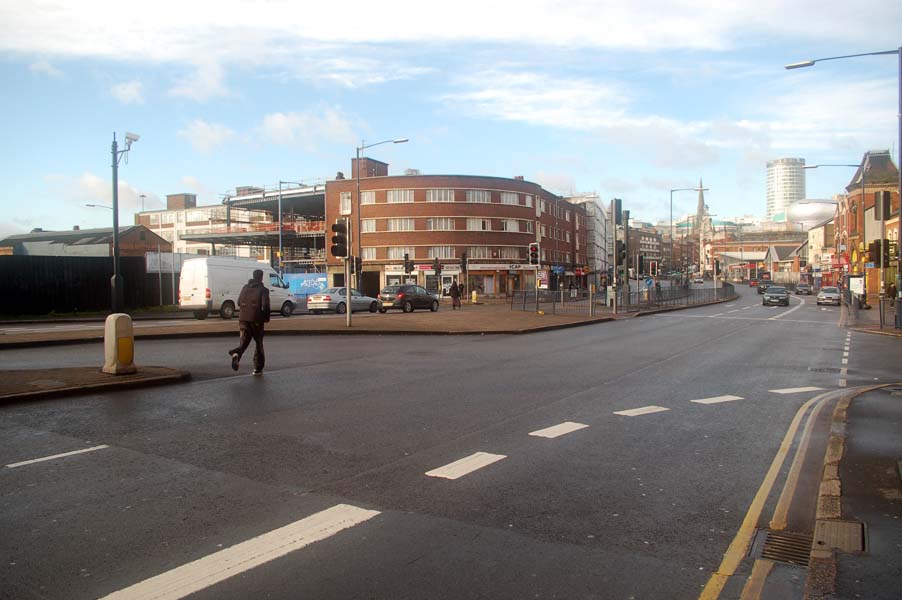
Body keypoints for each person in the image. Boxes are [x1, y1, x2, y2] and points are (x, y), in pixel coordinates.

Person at [229, 269, 270, 375]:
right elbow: (265, 305)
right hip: (256, 320)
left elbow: (238, 302)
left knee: (244, 341)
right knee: (258, 343)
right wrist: (265, 318)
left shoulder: (245, 288)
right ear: (261, 277)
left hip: (243, 319)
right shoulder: (263, 290)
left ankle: (236, 354)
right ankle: (258, 368)